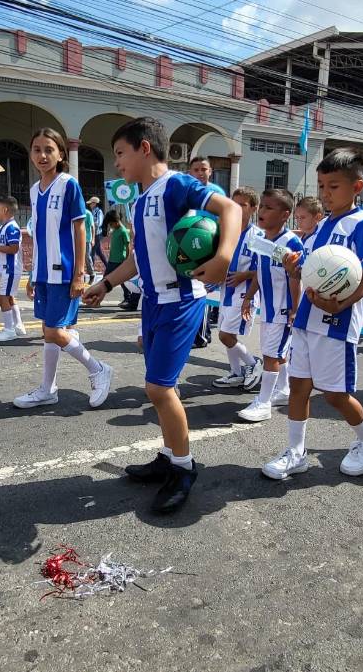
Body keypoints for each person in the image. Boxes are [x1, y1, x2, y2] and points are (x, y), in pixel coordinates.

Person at [82, 116, 239, 512]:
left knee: (158, 388)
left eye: (121, 153)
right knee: (158, 388)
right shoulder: (140, 199)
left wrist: (222, 257)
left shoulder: (176, 185)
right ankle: (170, 456)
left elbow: (231, 209)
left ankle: (184, 469)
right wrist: (106, 283)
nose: (117, 163)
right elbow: (139, 258)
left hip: (182, 300)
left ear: (145, 148)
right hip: (153, 303)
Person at [264, 148, 363, 479]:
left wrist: (340, 305)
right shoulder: (319, 227)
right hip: (306, 319)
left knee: (334, 395)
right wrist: (294, 269)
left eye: (333, 186)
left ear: (357, 187)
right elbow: (312, 273)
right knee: (299, 387)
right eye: (321, 186)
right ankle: (296, 453)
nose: (325, 194)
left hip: (336, 323)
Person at [14, 128, 113, 410]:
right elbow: (40, 235)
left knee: (55, 331)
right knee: (49, 331)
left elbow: (80, 228)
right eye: (36, 149)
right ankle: (48, 389)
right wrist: (33, 273)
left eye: (49, 149)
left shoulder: (68, 184)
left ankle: (97, 369)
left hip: (65, 271)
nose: (42, 155)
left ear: (60, 154)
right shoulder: (35, 190)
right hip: (44, 273)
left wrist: (79, 273)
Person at [237, 188, 304, 422]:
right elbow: (260, 272)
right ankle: (283, 390)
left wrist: (295, 309)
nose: (262, 212)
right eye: (262, 206)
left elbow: (297, 278)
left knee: (270, 355)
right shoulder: (262, 240)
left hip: (282, 311)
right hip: (267, 308)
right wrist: (248, 296)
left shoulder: (291, 242)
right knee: (277, 354)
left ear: (285, 215)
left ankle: (263, 403)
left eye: (268, 207)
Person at [212, 186, 265, 391]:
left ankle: (253, 364)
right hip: (226, 291)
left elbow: (267, 268)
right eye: (234, 203)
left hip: (245, 293)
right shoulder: (226, 231)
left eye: (243, 204)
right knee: (227, 335)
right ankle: (236, 372)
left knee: (225, 335)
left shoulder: (258, 236)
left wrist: (246, 275)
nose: (237, 208)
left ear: (254, 208)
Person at [0, 195, 28, 341]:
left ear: (4, 210)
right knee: (9, 297)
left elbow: (14, 248)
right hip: (6, 269)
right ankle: (18, 325)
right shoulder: (5, 227)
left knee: (3, 297)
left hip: (10, 268)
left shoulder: (12, 227)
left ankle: (9, 329)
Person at [103, 208, 135, 309]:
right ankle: (98, 296)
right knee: (106, 278)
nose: (110, 226)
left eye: (111, 224)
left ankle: (128, 297)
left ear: (116, 222)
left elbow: (127, 246)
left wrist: (127, 259)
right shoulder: (115, 230)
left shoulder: (123, 231)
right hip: (112, 260)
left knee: (121, 281)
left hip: (120, 260)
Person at [87, 196, 108, 278]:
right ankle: (108, 266)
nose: (90, 205)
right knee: (99, 252)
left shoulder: (99, 212)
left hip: (97, 234)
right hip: (94, 234)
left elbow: (99, 223)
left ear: (95, 203)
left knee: (92, 252)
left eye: (91, 203)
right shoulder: (92, 212)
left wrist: (92, 224)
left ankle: (91, 271)